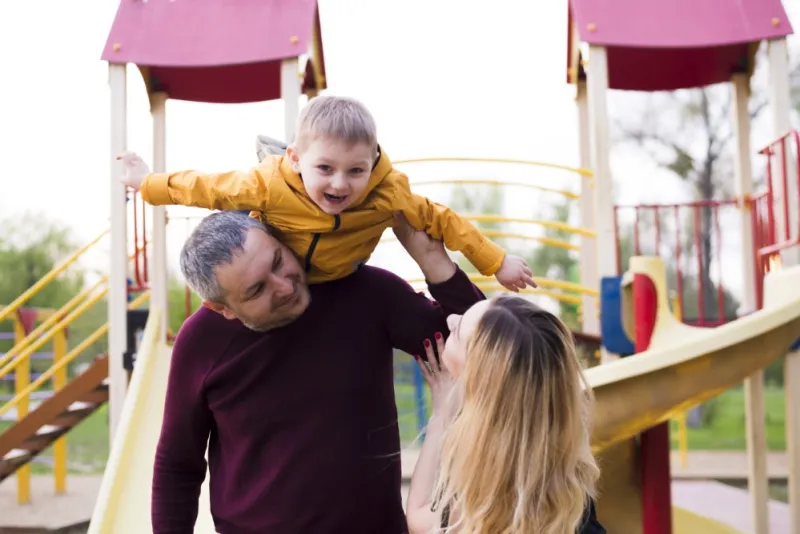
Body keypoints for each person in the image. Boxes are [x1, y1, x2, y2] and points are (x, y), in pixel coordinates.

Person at [152, 210, 486, 534]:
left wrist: (435, 264)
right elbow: (178, 464)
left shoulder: (365, 292)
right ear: (221, 308)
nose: (283, 286)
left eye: (279, 261)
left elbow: (486, 351)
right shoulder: (200, 342)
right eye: (257, 289)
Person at [116, 95, 536, 291]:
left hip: (342, 275)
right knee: (235, 229)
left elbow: (444, 220)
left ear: (372, 161)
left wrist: (495, 260)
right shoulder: (268, 184)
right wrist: (148, 183)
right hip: (284, 275)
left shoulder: (389, 193)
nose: (339, 184)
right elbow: (206, 188)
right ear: (296, 159)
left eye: (356, 170)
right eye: (325, 169)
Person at [406, 296, 605, 533]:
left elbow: (419, 517)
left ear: (478, 380)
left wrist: (441, 415)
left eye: (457, 331)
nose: (450, 319)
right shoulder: (571, 498)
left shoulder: (475, 509)